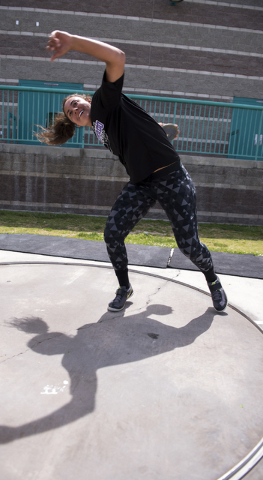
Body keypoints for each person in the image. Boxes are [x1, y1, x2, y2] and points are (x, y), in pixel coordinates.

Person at [39, 31, 227, 313]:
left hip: (172, 178)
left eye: (76, 102)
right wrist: (154, 133)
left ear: (88, 99)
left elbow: (117, 58)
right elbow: (129, 144)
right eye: (69, 112)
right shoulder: (100, 130)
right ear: (74, 124)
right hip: (141, 183)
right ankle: (124, 287)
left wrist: (74, 43)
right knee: (112, 233)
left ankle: (212, 281)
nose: (74, 109)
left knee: (188, 245)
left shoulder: (105, 100)